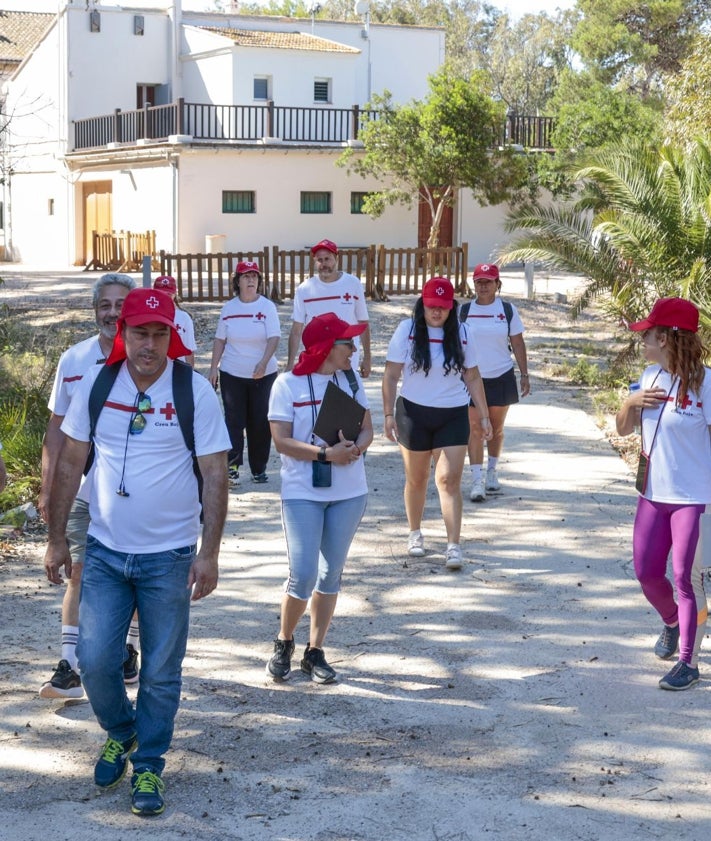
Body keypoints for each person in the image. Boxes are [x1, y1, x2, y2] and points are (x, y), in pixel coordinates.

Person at [43, 287, 230, 816]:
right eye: (140, 333)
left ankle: (148, 763)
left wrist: (208, 552)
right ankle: (121, 730)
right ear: (121, 333)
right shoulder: (100, 384)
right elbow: (70, 459)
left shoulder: (193, 392)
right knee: (95, 660)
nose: (149, 344)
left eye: (159, 334)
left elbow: (216, 474)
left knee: (161, 669)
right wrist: (57, 537)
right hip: (104, 551)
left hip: (169, 556)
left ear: (172, 337)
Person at [38, 272, 137, 700]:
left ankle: (126, 650)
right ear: (94, 310)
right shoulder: (74, 360)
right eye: (105, 305)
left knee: (131, 573)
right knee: (79, 571)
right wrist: (47, 489)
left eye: (120, 305)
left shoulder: (149, 360)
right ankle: (69, 665)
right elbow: (56, 431)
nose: (112, 313)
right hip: (80, 489)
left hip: (131, 491)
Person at [266, 312, 373, 684]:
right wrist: (328, 455)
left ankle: (315, 652)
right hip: (302, 494)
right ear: (327, 347)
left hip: (349, 492)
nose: (354, 349)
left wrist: (355, 448)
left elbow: (367, 428)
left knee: (331, 575)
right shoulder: (286, 384)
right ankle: (284, 641)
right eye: (347, 343)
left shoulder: (350, 377)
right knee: (304, 574)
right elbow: (280, 441)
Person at [616, 297, 711, 691]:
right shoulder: (650, 377)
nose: (644, 342)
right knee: (646, 573)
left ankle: (688, 662)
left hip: (694, 497)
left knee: (686, 577)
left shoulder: (707, 383)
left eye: (649, 336)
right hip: (653, 494)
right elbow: (623, 429)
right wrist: (630, 402)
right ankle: (672, 621)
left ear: (669, 338)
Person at [382, 277, 492, 570]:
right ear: (422, 305)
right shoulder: (406, 331)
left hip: (452, 414)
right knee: (416, 479)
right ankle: (415, 533)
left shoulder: (464, 333)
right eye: (431, 306)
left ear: (451, 307)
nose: (436, 313)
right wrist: (388, 414)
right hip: (413, 414)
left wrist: (483, 415)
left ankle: (453, 545)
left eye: (442, 308)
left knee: (448, 480)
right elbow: (391, 374)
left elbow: (472, 376)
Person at [460, 263, 529, 502]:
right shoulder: (464, 311)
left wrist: (524, 374)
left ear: (497, 284)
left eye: (488, 282)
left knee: (496, 429)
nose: (483, 286)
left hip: (501, 375)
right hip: (471, 378)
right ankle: (476, 480)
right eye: (479, 282)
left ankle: (492, 471)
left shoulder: (508, 310)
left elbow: (518, 342)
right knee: (475, 429)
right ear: (474, 285)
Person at [208, 260, 280, 486]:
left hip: (263, 374)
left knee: (259, 421)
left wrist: (263, 362)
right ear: (237, 281)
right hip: (232, 372)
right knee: (233, 421)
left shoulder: (267, 306)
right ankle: (232, 466)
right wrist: (213, 368)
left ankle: (259, 469)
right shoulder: (229, 308)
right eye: (246, 276)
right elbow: (220, 339)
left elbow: (274, 338)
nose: (251, 280)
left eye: (254, 276)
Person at [286, 238, 371, 378]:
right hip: (316, 358)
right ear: (314, 261)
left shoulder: (353, 284)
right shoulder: (304, 289)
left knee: (346, 396)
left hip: (346, 358)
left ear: (336, 258)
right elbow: (296, 330)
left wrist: (367, 357)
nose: (324, 264)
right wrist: (290, 364)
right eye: (320, 260)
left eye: (327, 259)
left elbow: (363, 322)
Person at [153, 275, 196, 367]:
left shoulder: (184, 317)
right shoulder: (150, 315)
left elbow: (189, 350)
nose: (164, 297)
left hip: (177, 367)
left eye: (168, 294)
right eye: (161, 293)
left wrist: (190, 375)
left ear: (175, 294)